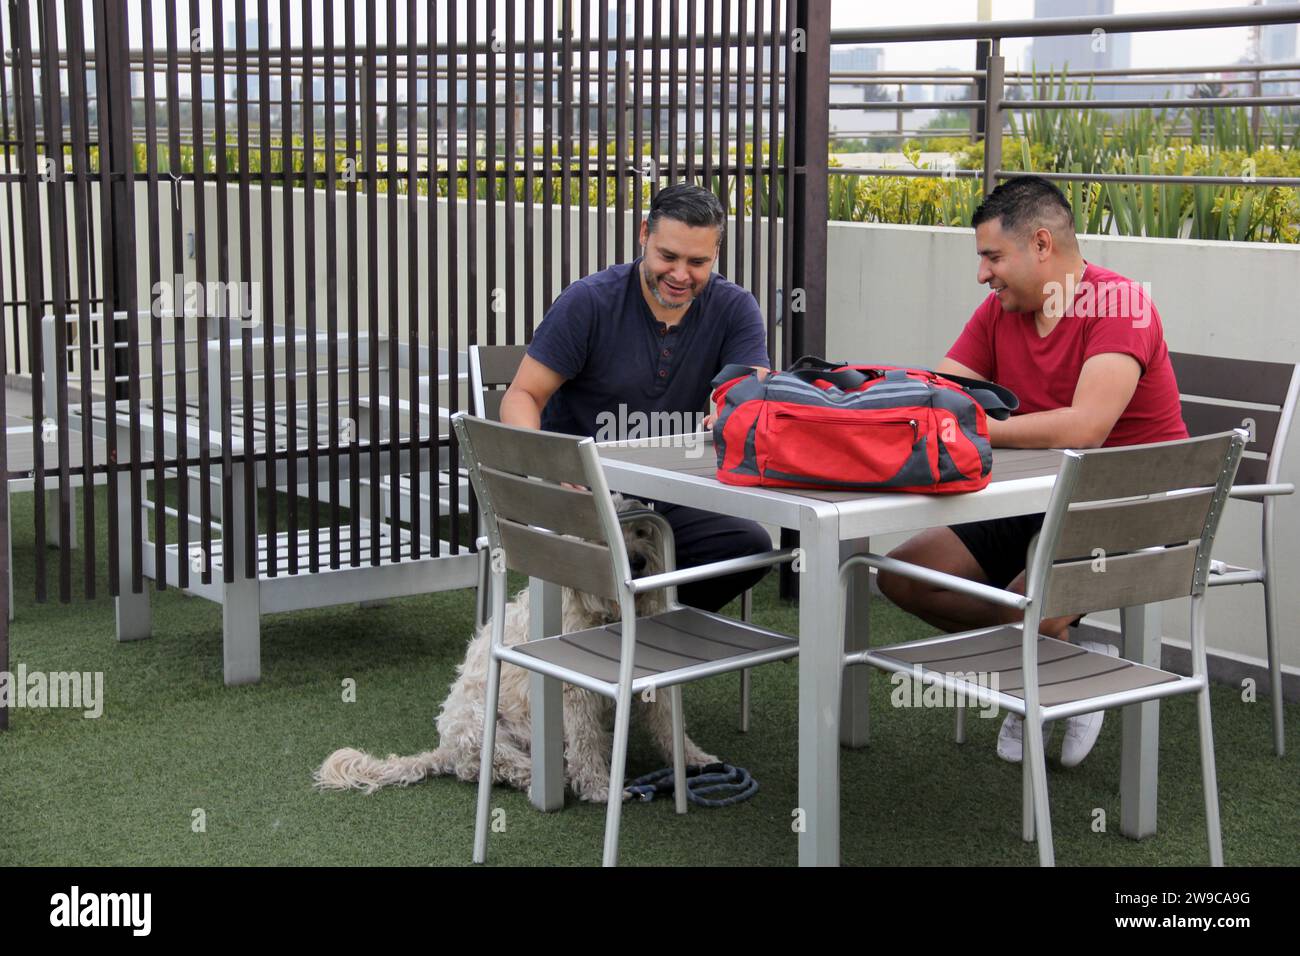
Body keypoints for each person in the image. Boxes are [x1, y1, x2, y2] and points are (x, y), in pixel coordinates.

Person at [877, 175, 1188, 767]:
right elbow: (942, 395)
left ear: (1041, 244)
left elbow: (1086, 427)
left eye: (992, 257)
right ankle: (1066, 665)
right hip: (1035, 498)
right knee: (904, 577)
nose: (982, 274)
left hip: (1133, 504)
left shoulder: (1119, 304)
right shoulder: (1001, 311)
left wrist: (979, 429)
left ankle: (1046, 668)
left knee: (1028, 605)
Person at [499, 182, 773, 612]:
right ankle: (630, 641)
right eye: (668, 256)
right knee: (606, 562)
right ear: (644, 234)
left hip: (668, 495)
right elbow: (522, 396)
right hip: (584, 493)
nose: (681, 274)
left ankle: (644, 637)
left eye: (697, 262)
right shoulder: (589, 301)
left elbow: (751, 399)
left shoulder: (734, 308)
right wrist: (551, 468)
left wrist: (732, 413)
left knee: (749, 547)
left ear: (715, 254)